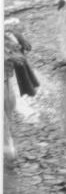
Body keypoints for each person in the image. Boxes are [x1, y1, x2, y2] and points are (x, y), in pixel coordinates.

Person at [4, 19, 37, 165]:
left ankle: (8, 148)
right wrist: (9, 56)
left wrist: (17, 35)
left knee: (9, 112)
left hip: (5, 81)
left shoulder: (8, 35)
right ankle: (8, 154)